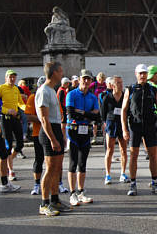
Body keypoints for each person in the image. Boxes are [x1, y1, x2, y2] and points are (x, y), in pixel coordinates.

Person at [121, 64, 157, 196]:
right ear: (136, 74)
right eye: (140, 73)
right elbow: (123, 110)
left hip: (150, 126)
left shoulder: (153, 89)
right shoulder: (130, 89)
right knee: (133, 155)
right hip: (135, 126)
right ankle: (133, 184)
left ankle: (154, 182)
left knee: (153, 155)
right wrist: (124, 129)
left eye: (144, 73)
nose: (142, 75)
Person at [36, 62, 70, 216]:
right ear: (54, 72)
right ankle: (44, 203)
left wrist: (61, 136)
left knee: (57, 168)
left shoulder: (52, 90)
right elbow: (44, 118)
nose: (62, 73)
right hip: (48, 131)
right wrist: (53, 139)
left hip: (56, 129)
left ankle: (55, 200)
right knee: (50, 169)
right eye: (60, 70)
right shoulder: (43, 90)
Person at [65, 69, 99, 206]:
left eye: (88, 79)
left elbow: (96, 115)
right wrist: (87, 114)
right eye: (83, 78)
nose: (86, 81)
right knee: (73, 163)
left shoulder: (93, 97)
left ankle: (81, 191)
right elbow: (71, 113)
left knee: (82, 164)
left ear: (91, 81)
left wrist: (82, 113)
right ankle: (72, 193)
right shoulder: (71, 94)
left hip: (86, 131)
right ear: (79, 79)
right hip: (73, 130)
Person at [0, 70, 26, 181]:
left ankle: (9, 161)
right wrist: (7, 110)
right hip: (5, 118)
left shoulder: (16, 88)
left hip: (15, 118)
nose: (12, 79)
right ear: (6, 78)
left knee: (20, 144)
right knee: (8, 145)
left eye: (14, 77)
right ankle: (10, 170)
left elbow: (19, 102)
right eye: (10, 77)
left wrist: (26, 108)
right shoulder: (1, 88)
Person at [102, 76, 130, 184]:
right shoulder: (107, 97)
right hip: (111, 124)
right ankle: (107, 174)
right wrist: (104, 124)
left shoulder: (125, 96)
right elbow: (103, 113)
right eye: (118, 83)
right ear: (113, 85)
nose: (120, 85)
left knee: (123, 150)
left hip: (122, 124)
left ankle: (123, 173)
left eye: (121, 82)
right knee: (110, 149)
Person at [90, 72, 107, 145]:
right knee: (95, 122)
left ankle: (104, 137)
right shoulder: (94, 84)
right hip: (95, 105)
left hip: (103, 105)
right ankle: (94, 137)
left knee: (103, 121)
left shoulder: (105, 84)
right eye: (100, 79)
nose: (101, 81)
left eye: (103, 79)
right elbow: (87, 88)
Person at [57, 77, 70, 146]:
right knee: (63, 126)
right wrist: (63, 111)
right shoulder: (62, 90)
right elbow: (61, 102)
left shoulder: (62, 90)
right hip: (62, 110)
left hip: (62, 110)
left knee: (64, 125)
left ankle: (64, 140)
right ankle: (63, 140)